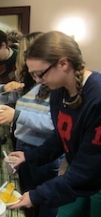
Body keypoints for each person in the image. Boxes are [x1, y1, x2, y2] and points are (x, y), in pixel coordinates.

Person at [9, 31, 101, 217]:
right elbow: (60, 138)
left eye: (39, 74)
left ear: (63, 64)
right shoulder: (59, 91)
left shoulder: (97, 98)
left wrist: (38, 195)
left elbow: (89, 170)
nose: (36, 81)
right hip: (81, 173)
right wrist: (30, 156)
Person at [0, 32, 62, 217]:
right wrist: (3, 88)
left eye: (23, 52)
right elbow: (13, 97)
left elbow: (52, 125)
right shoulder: (34, 82)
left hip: (43, 150)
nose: (20, 57)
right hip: (25, 147)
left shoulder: (54, 86)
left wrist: (17, 115)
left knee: (45, 199)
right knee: (28, 194)